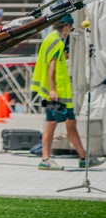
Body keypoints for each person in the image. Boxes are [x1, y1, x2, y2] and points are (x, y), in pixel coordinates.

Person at [33, 15, 104, 170]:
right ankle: (47, 159)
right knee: (55, 125)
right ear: (65, 26)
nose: (70, 31)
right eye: (70, 28)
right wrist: (52, 90)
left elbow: (52, 62)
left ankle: (83, 157)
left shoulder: (50, 38)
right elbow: (51, 66)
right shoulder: (57, 41)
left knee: (66, 123)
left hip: (58, 94)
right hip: (58, 95)